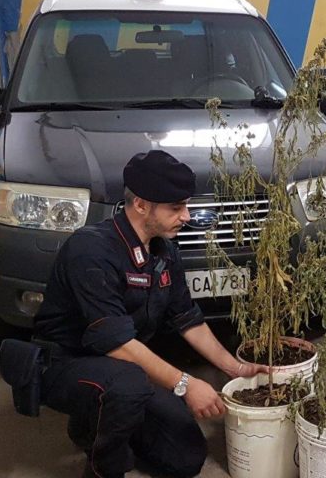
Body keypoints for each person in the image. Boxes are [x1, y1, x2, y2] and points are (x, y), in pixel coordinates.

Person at [32, 150, 267, 477]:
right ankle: (101, 465)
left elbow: (188, 318)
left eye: (185, 205)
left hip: (122, 367)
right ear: (141, 205)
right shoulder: (90, 251)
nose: (186, 216)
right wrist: (185, 384)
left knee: (185, 458)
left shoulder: (164, 250)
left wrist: (236, 367)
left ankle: (97, 421)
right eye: (176, 208)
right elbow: (118, 345)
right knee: (126, 386)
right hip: (67, 364)